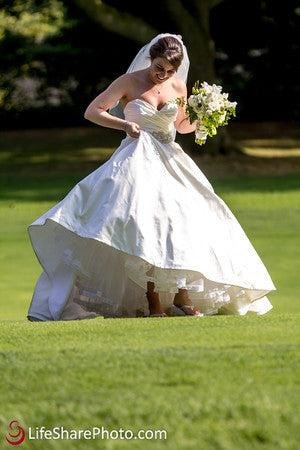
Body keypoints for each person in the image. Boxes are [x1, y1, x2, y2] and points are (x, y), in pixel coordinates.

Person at [27, 33, 275, 321]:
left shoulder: (178, 85)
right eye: (160, 68)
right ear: (151, 59)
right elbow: (92, 111)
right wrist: (124, 124)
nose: (163, 75)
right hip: (137, 158)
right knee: (143, 223)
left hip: (171, 160)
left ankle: (182, 296)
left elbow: (181, 127)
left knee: (182, 223)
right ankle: (152, 299)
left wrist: (205, 114)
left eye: (170, 71)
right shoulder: (129, 81)